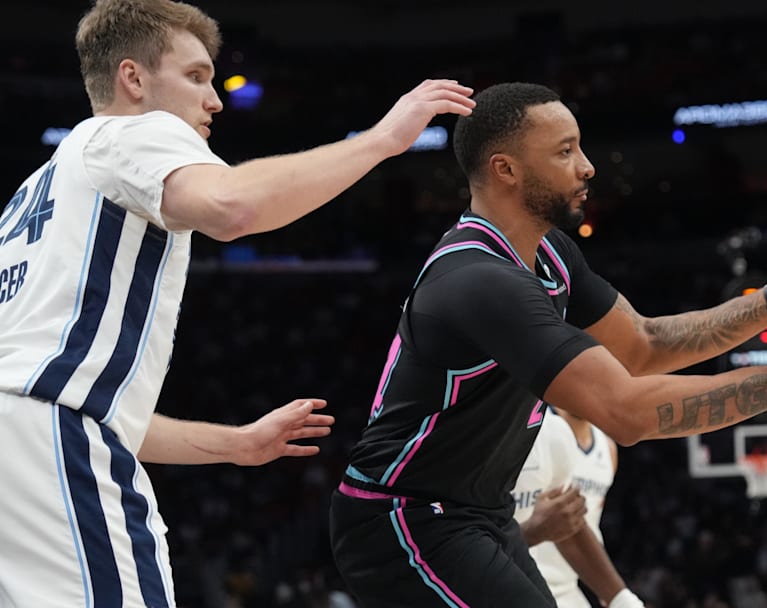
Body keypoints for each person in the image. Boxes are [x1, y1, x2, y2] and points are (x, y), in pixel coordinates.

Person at [0, 0, 474, 605]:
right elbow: (232, 208)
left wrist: (236, 444)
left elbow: (87, 402)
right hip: (50, 441)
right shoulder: (130, 131)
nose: (215, 100)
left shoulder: (35, 193)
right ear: (133, 79)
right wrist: (382, 141)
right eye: (196, 76)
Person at [329, 82, 767, 608]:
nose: (587, 167)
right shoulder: (480, 279)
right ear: (505, 169)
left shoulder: (550, 253)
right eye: (565, 151)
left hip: (479, 511)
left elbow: (643, 345)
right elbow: (627, 413)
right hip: (401, 516)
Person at [513, 408, 645, 608]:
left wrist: (614, 593)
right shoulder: (532, 427)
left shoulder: (606, 447)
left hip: (569, 584)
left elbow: (578, 525)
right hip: (518, 579)